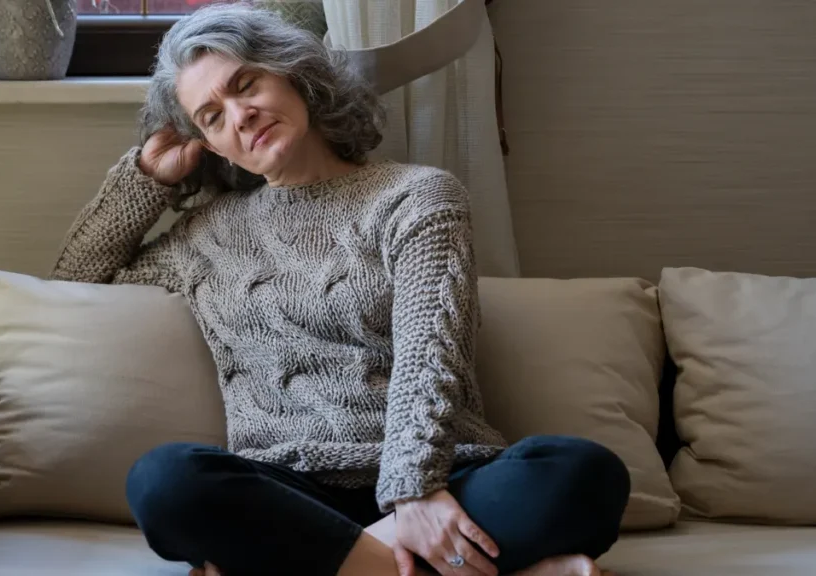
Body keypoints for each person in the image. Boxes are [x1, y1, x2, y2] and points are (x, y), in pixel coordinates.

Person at [50, 4, 630, 576]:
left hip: (440, 480)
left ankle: (316, 566)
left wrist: (412, 493)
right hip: (288, 492)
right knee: (164, 481)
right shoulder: (204, 238)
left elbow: (430, 354)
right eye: (212, 117)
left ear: (293, 72)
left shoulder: (416, 197)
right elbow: (74, 282)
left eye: (246, 85)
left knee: (583, 473)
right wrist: (147, 177)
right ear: (211, 145)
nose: (241, 116)